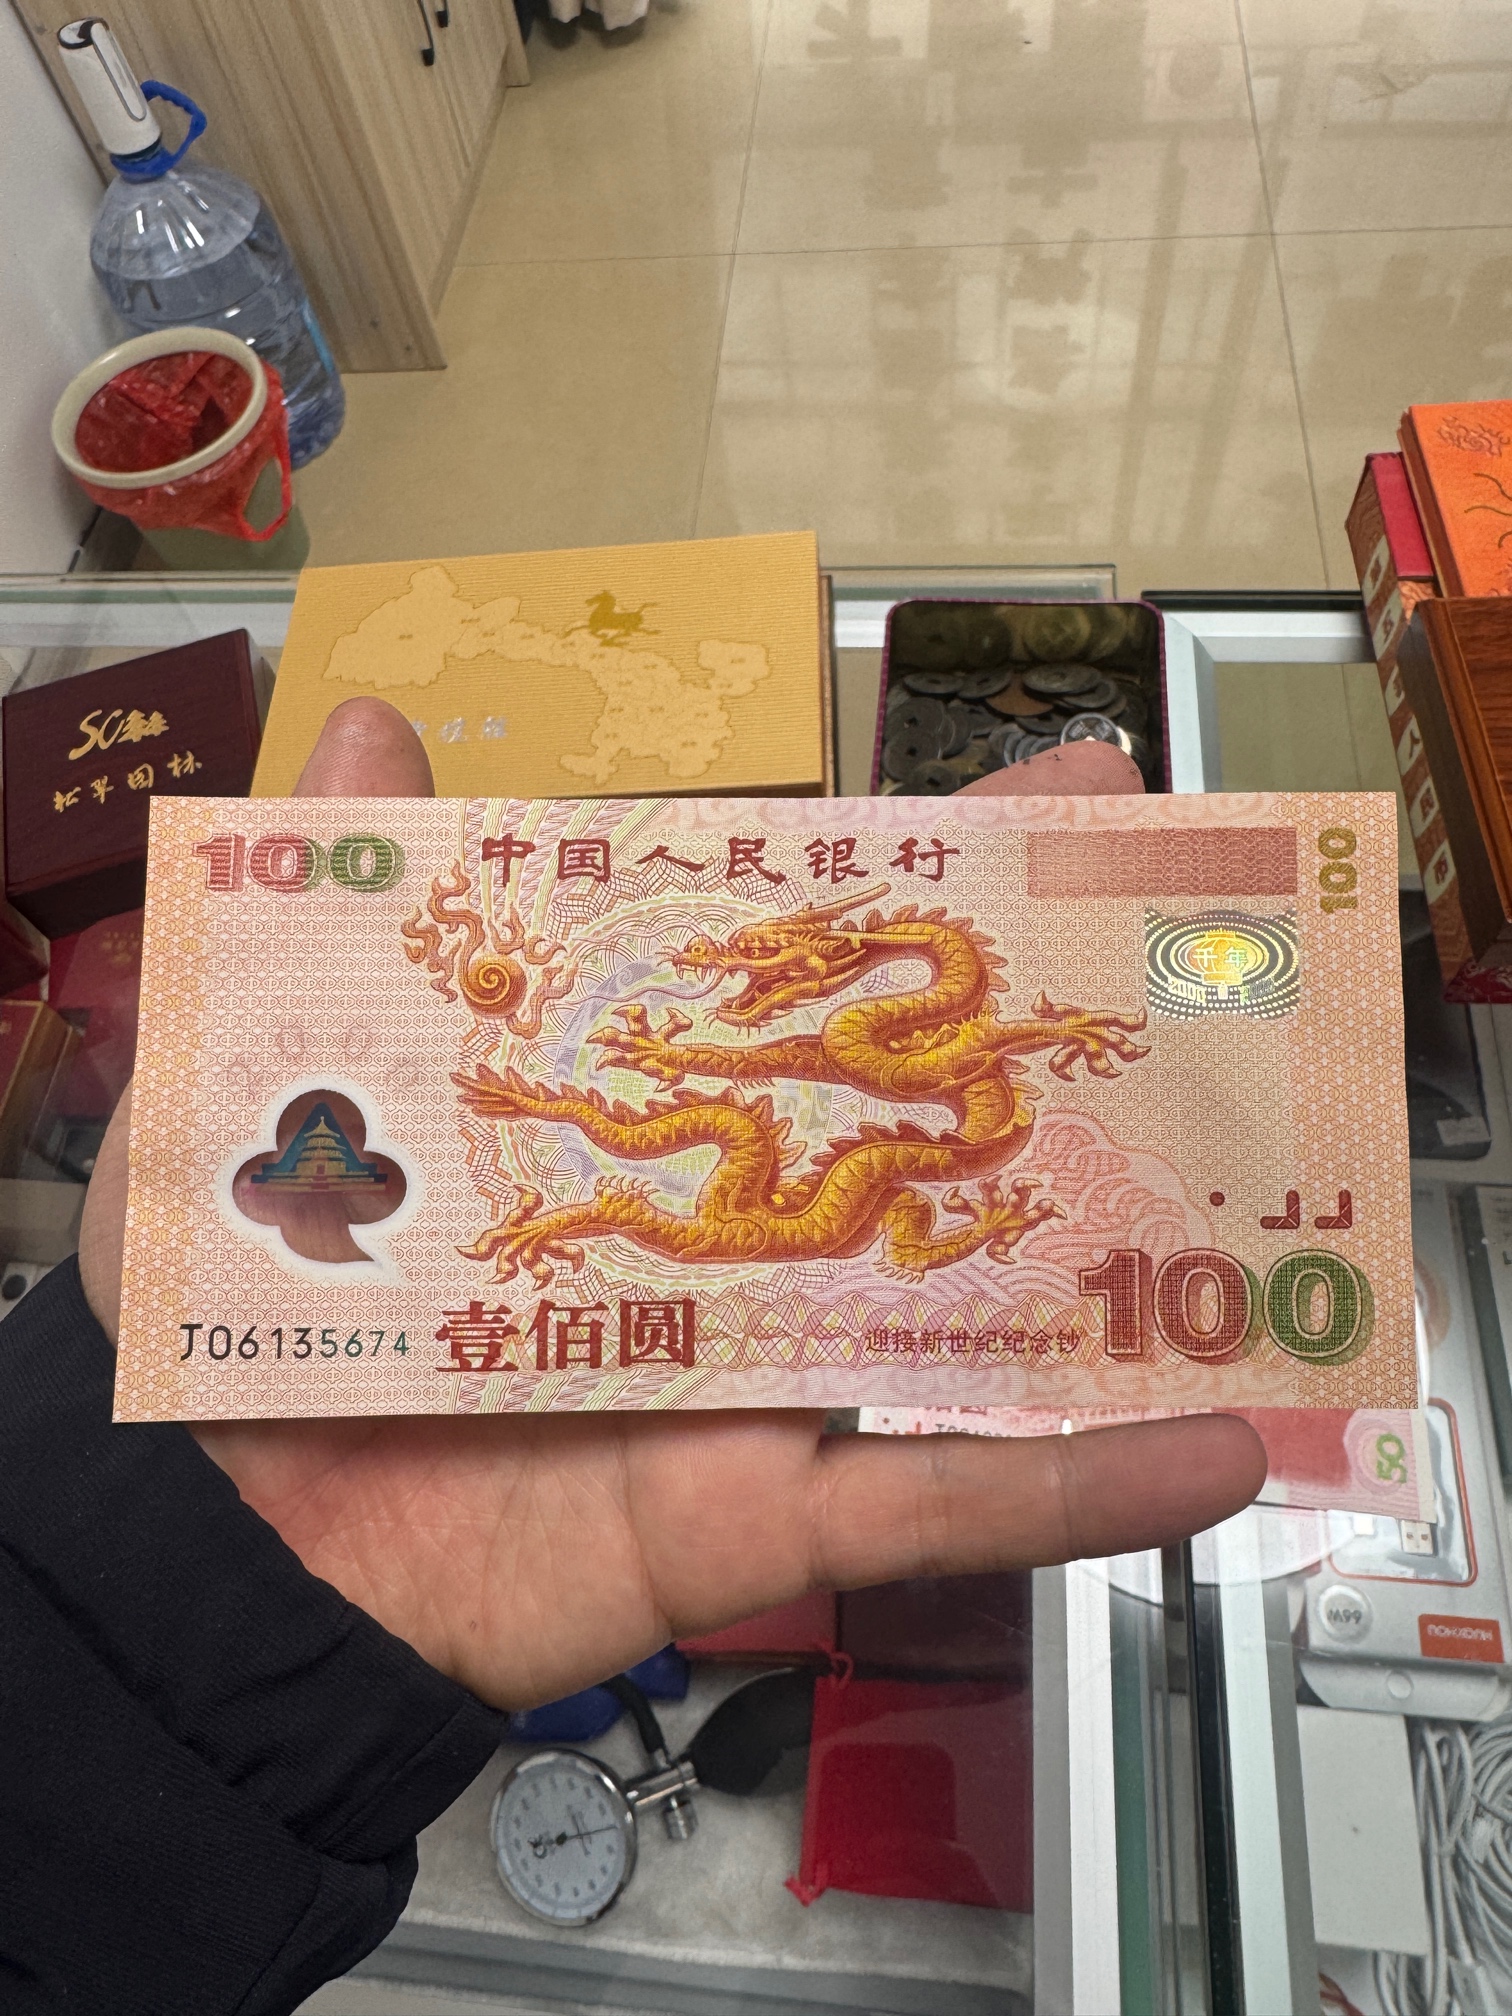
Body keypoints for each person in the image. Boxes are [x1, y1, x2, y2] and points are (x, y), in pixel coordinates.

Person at [1, 700, 1266, 2013]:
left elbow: (800, 1087)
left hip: (812, 1191)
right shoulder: (814, 1086)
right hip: (785, 1199)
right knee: (701, 1156)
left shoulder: (867, 1072)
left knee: (716, 1153)